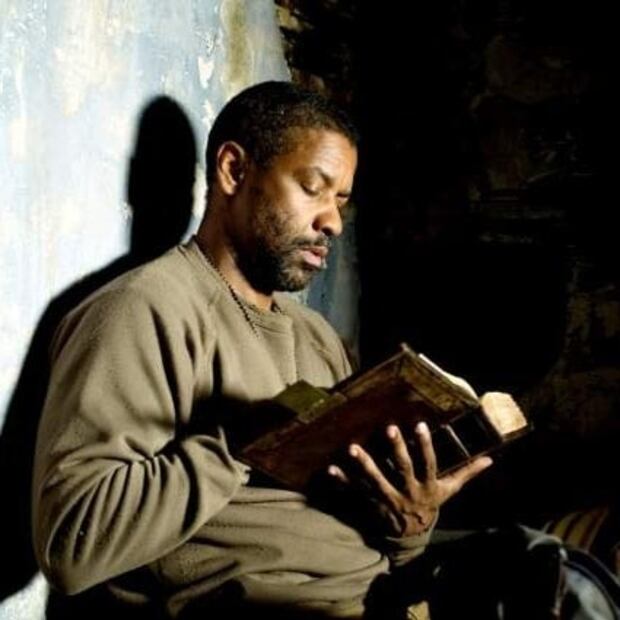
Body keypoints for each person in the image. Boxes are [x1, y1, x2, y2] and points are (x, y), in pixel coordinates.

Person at [32, 81, 510, 619]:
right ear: (234, 171)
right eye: (313, 188)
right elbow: (71, 545)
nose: (332, 221)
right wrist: (243, 442)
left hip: (381, 602)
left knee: (545, 567)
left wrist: (410, 525)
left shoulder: (317, 337)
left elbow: (366, 541)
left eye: (341, 200)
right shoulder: (143, 309)